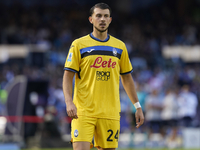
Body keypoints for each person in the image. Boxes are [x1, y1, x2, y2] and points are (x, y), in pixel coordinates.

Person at [62, 3, 144, 150]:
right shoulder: (78, 44)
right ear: (91, 19)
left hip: (110, 112)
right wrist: (69, 102)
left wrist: (137, 106)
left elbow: (127, 78)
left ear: (110, 20)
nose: (102, 19)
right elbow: (68, 76)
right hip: (83, 112)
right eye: (98, 15)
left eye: (106, 16)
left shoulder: (120, 47)